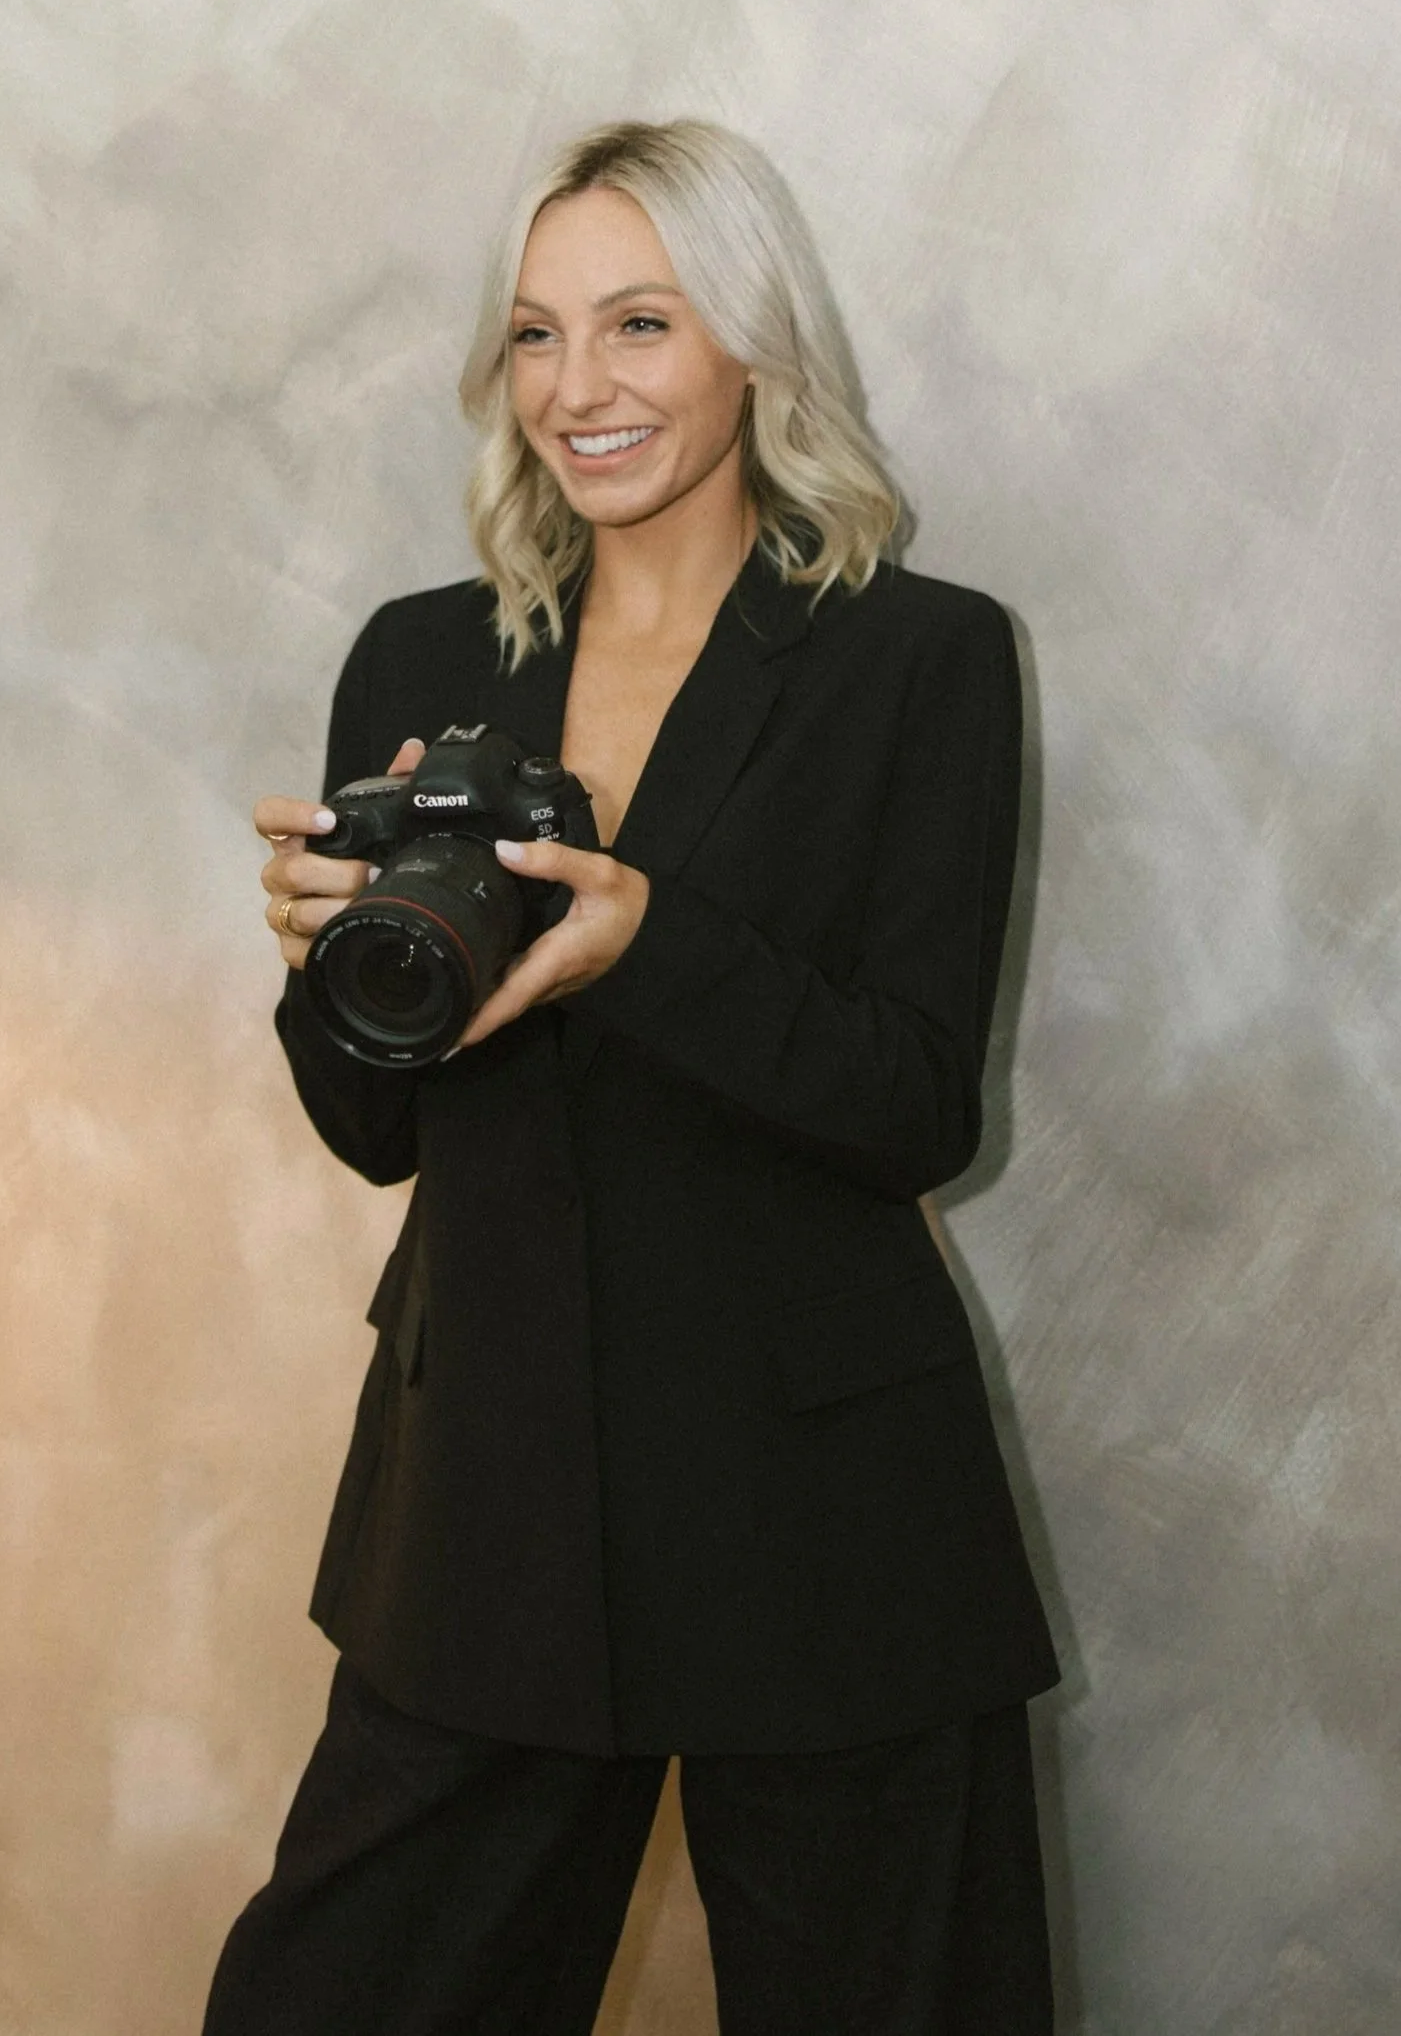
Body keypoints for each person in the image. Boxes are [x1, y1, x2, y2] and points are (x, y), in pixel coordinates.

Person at [203, 119, 1061, 2034]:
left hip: (826, 1520)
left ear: (755, 345)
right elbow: (372, 1135)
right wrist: (328, 966)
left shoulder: (920, 661)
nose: (578, 388)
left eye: (640, 324)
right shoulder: (422, 659)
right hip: (486, 1498)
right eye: (537, 333)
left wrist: (648, 945)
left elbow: (919, 1105)